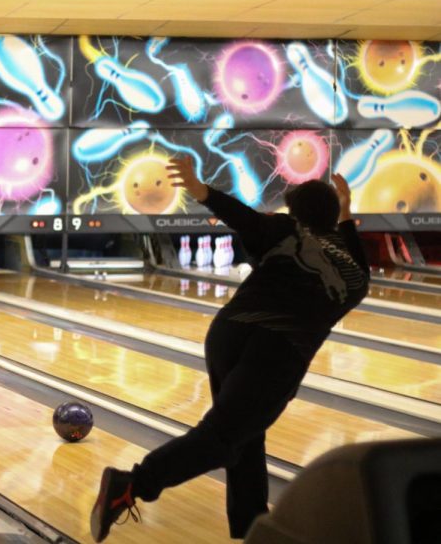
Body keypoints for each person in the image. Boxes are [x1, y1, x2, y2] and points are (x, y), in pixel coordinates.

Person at [90, 156, 370, 542]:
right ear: (334, 217)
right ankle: (131, 484)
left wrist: (198, 187)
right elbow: (348, 232)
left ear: (295, 213)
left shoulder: (284, 229)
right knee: (224, 437)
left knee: (244, 437)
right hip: (279, 349)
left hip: (228, 332)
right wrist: (346, 208)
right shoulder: (357, 270)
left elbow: (242, 216)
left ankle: (251, 527)